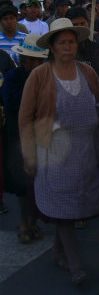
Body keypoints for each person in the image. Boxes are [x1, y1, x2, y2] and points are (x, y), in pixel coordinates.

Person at [19, 19, 99, 285]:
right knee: (64, 208)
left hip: (86, 152)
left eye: (71, 41)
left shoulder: (87, 72)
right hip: (54, 154)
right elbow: (25, 118)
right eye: (62, 42)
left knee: (73, 207)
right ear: (51, 46)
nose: (68, 47)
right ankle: (75, 266)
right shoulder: (39, 75)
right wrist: (29, 155)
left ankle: (59, 252)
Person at [3, 34, 48, 242]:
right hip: (18, 134)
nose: (36, 63)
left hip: (42, 133)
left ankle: (34, 221)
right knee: (23, 181)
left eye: (39, 60)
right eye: (32, 59)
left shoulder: (48, 76)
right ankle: (24, 222)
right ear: (24, 60)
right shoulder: (14, 77)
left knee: (39, 179)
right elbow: (12, 102)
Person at [66, 7, 99, 98]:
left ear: (89, 23)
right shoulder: (62, 52)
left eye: (83, 23)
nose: (80, 27)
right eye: (75, 24)